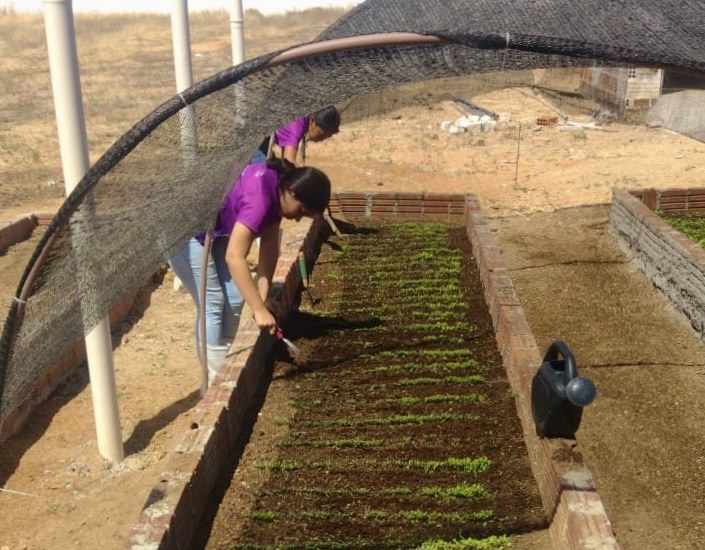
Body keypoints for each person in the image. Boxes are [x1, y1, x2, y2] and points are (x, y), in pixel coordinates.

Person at [169, 158, 331, 383]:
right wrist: (258, 310)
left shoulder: (277, 188)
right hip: (181, 228)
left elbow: (269, 247)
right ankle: (216, 380)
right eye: (301, 211)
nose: (297, 218)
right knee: (212, 301)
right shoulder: (261, 200)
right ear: (293, 192)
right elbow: (235, 258)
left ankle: (224, 358)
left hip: (213, 227)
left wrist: (263, 299)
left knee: (235, 297)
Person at [250, 105, 341, 165]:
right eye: (321, 134)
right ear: (313, 120)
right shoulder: (295, 127)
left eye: (326, 137)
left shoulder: (304, 116)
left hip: (262, 136)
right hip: (251, 140)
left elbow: (285, 160)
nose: (322, 139)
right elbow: (289, 163)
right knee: (261, 175)